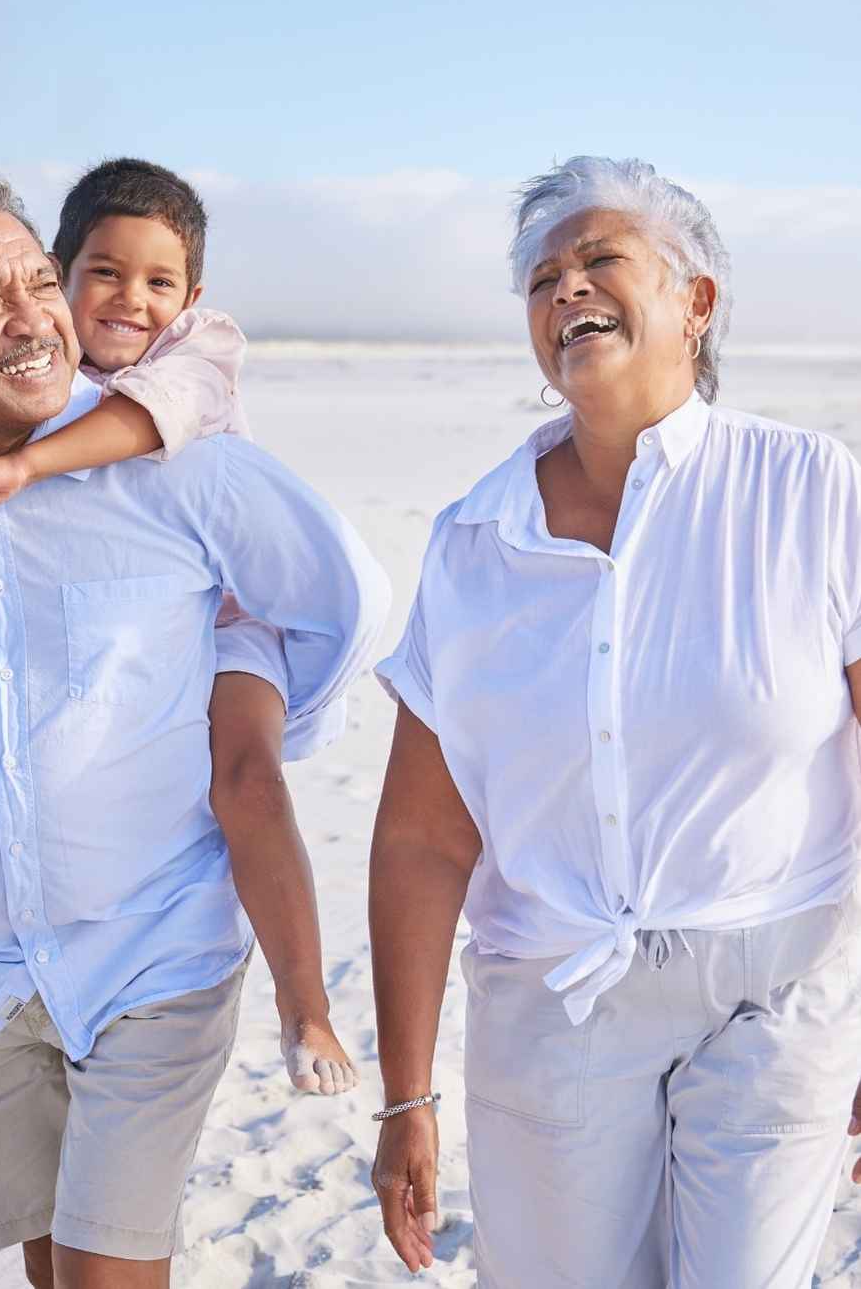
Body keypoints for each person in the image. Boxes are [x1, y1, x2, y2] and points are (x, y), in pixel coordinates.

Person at [0, 162, 390, 1289]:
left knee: (104, 1273)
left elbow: (343, 606)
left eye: (36, 281)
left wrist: (252, 708)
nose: (35, 319)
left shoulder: (181, 459)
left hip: (151, 944)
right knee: (48, 1261)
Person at [368, 155, 861, 1289]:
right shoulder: (472, 541)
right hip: (552, 1001)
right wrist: (405, 1097)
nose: (567, 290)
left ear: (696, 302)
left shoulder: (809, 489)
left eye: (599, 259)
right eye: (543, 279)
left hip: (776, 984)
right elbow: (423, 838)